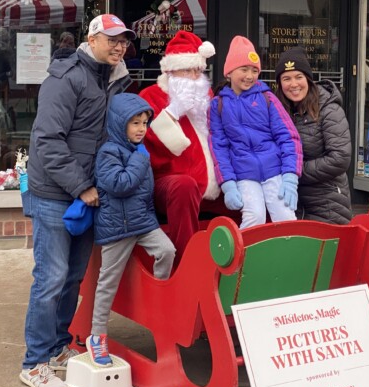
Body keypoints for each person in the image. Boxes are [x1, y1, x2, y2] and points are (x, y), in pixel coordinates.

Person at [20, 13, 134, 387]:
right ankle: (33, 362)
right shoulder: (66, 77)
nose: (119, 46)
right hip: (56, 193)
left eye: (124, 41)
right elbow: (47, 142)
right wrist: (83, 186)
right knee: (50, 279)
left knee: (72, 278)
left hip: (91, 195)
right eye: (112, 39)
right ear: (92, 38)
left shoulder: (116, 80)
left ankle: (57, 349)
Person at [87, 93, 175, 367]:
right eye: (134, 123)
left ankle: (157, 300)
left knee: (167, 250)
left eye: (144, 123)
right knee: (108, 281)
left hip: (143, 222)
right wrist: (140, 161)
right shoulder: (110, 152)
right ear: (118, 124)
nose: (141, 129)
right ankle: (96, 335)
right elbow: (119, 184)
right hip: (118, 227)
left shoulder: (139, 151)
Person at [138, 30, 221, 257]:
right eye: (187, 70)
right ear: (170, 71)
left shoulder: (207, 96)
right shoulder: (151, 96)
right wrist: (174, 111)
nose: (194, 77)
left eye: (198, 71)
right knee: (184, 186)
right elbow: (152, 141)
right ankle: (186, 260)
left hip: (211, 183)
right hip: (168, 183)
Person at [209, 36, 302, 229]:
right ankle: (244, 258)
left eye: (254, 70)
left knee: (286, 217)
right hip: (244, 174)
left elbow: (288, 137)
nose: (249, 76)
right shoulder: (218, 105)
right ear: (229, 72)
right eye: (244, 69)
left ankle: (291, 257)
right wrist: (228, 183)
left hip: (275, 171)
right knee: (254, 218)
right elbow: (219, 147)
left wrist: (290, 175)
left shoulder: (267, 98)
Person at [275, 46, 353, 224]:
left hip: (326, 203)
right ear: (279, 84)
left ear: (309, 79)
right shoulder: (277, 112)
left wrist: (294, 171)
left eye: (299, 77)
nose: (293, 84)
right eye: (286, 78)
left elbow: (340, 158)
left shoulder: (329, 109)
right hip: (288, 202)